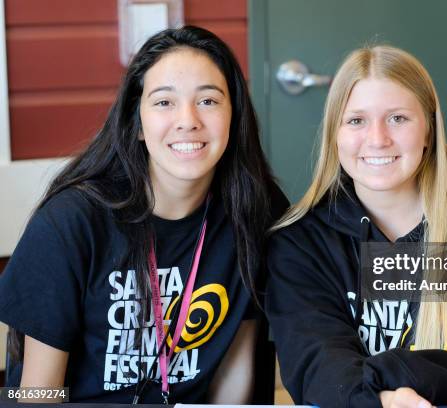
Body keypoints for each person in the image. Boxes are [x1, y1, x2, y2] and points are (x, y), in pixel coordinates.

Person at [0, 26, 287, 403]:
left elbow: (235, 370)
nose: (188, 120)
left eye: (209, 101)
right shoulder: (71, 222)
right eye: (164, 102)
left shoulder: (254, 213)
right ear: (137, 123)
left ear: (234, 118)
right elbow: (39, 392)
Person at [265, 45, 447, 408]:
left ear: (429, 131)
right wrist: (379, 398)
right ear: (334, 136)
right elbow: (318, 366)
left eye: (398, 118)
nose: (378, 138)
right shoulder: (301, 243)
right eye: (356, 121)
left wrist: (396, 375)